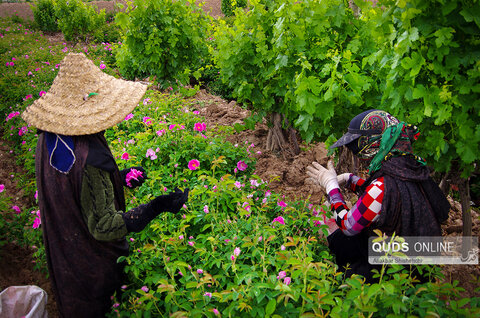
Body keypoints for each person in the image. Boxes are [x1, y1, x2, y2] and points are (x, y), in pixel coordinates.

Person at [21, 53, 189, 317]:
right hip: (90, 265)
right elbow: (103, 226)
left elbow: (74, 186)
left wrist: (119, 178)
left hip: (63, 247)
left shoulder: (48, 137)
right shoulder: (91, 159)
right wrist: (157, 206)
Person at [306, 109, 449, 283]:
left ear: (371, 144)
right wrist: (349, 179)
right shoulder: (408, 166)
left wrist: (331, 187)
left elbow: (348, 225)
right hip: (417, 258)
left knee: (339, 247)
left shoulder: (382, 185)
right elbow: (385, 198)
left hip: (393, 269)